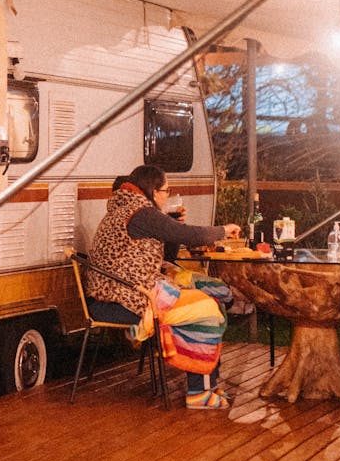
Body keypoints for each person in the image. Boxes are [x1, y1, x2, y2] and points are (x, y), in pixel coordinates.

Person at [86, 164, 242, 409]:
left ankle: (208, 382)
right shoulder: (141, 212)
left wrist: (170, 226)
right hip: (124, 300)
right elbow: (189, 235)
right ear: (153, 191)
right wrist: (223, 230)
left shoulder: (125, 208)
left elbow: (164, 250)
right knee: (207, 309)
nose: (168, 196)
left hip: (116, 295)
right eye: (166, 191)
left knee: (209, 301)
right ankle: (198, 393)